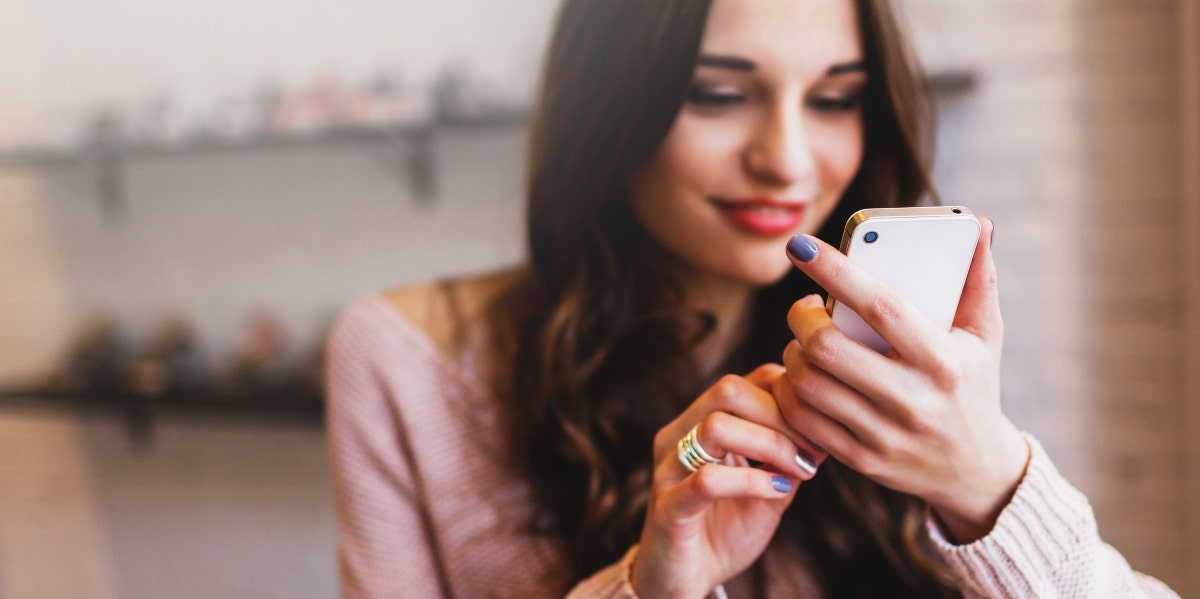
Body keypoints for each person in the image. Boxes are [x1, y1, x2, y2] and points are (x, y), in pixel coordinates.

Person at [324, 0, 1181, 597]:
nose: (788, 159)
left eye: (835, 98)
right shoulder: (407, 362)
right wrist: (654, 586)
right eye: (720, 94)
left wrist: (992, 482)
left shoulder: (886, 354)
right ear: (611, 102)